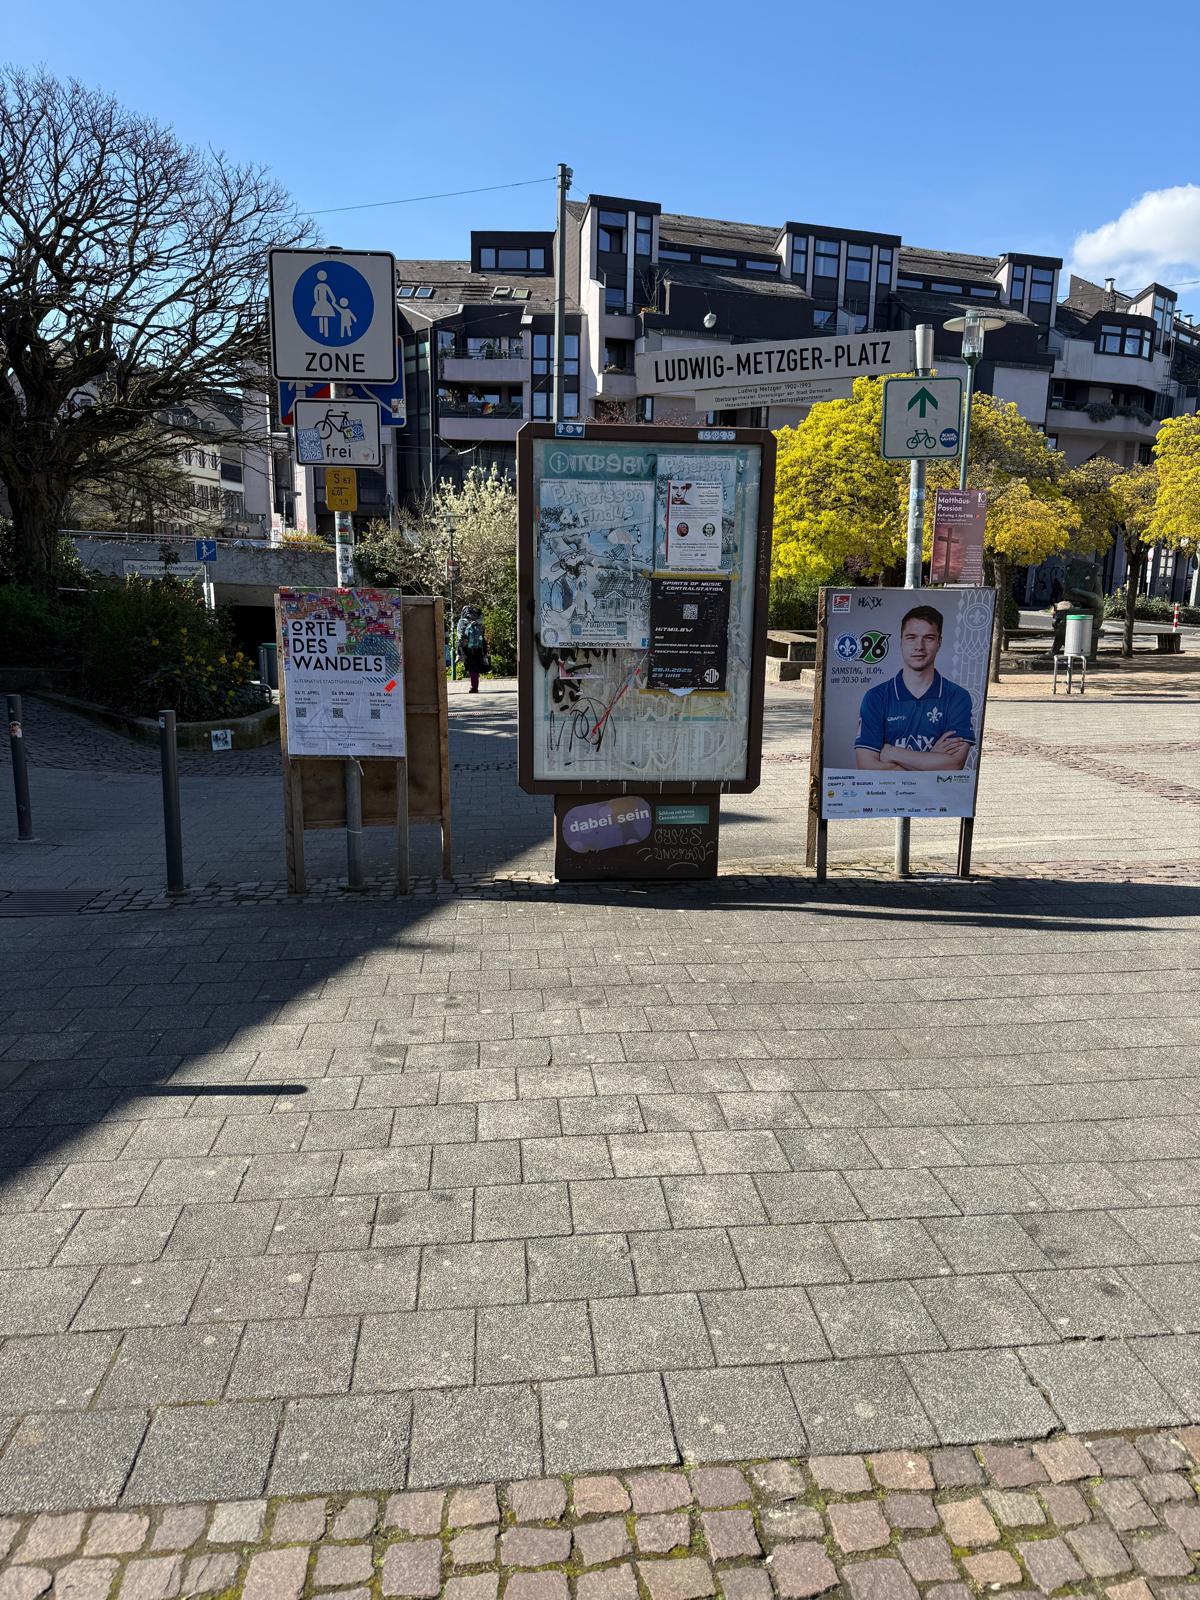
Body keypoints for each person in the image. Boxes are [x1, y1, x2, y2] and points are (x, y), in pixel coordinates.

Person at [854, 604, 976, 772]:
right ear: (901, 641)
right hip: (890, 792)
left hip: (937, 791)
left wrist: (892, 752)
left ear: (939, 642)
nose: (919, 646)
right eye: (911, 637)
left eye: (929, 638)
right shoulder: (876, 697)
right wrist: (931, 759)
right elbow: (867, 766)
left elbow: (954, 764)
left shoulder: (957, 697)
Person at [457, 604, 488, 693]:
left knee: (472, 668)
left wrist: (460, 650)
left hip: (468, 648)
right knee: (475, 667)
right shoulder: (478, 622)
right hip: (478, 648)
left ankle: (474, 687)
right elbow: (483, 636)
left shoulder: (462, 622)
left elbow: (460, 636)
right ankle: (475, 685)